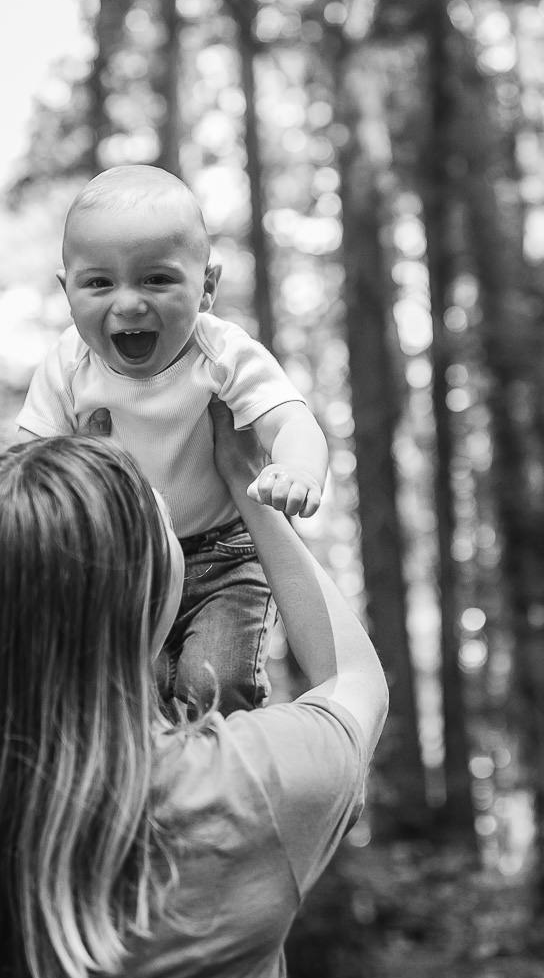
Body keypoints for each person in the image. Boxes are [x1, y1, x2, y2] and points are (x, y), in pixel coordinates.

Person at [0, 402, 387, 978]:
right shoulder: (242, 786)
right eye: (164, 519)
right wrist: (246, 485)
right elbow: (352, 678)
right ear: (145, 592)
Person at [17, 164, 330, 716]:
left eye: (157, 280)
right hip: (128, 562)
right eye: (99, 283)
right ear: (67, 291)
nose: (129, 303)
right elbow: (26, 460)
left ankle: (224, 762)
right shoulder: (69, 365)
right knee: (135, 696)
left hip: (226, 557)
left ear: (206, 288)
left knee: (215, 686)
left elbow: (290, 420)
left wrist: (298, 469)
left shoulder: (222, 353)